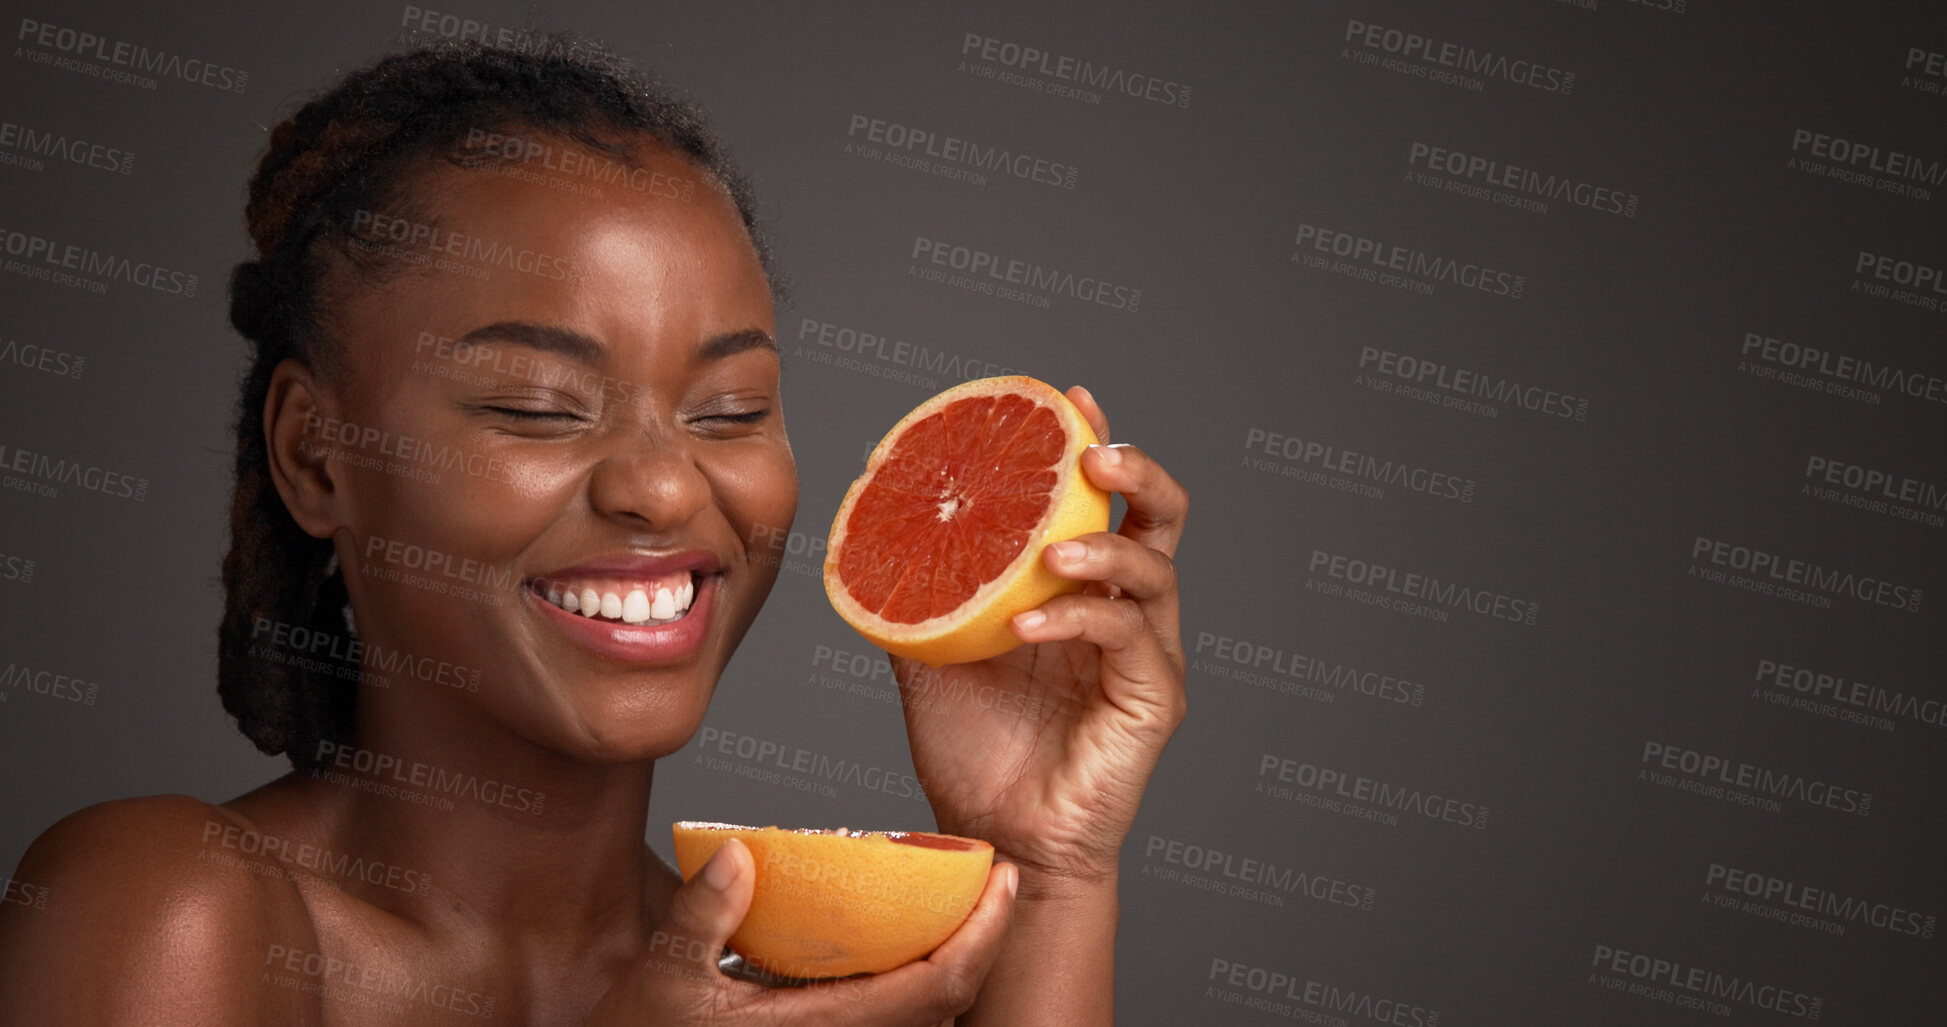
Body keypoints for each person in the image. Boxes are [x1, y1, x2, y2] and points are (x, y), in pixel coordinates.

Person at [0, 37, 1188, 1025]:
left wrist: (1050, 871)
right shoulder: (174, 911)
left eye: (729, 411)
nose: (666, 490)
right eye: (536, 407)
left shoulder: (802, 992)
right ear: (317, 454)